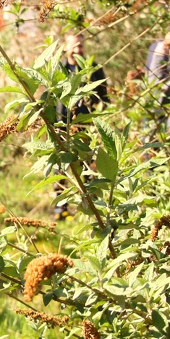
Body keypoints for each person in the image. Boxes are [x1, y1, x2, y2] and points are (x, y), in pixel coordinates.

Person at [54, 33, 109, 220]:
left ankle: (89, 207)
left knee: (87, 164)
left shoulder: (93, 69)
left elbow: (104, 96)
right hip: (62, 124)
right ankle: (60, 209)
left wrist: (99, 117)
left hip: (86, 125)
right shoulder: (59, 68)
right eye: (74, 46)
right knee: (60, 167)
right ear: (65, 47)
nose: (78, 50)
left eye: (81, 46)